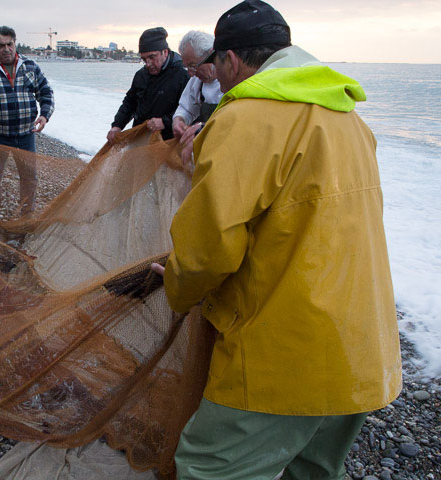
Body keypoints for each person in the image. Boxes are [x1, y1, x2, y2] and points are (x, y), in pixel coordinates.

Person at [150, 1, 402, 478]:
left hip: (287, 355)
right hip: (365, 347)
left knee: (206, 467)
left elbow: (209, 246)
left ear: (231, 61)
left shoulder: (245, 118)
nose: (217, 82)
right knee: (310, 470)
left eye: (217, 68)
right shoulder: (348, 116)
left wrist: (177, 288)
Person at [0, 26, 54, 214]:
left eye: (10, 44)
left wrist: (45, 115)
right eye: (1, 45)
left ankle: (26, 219)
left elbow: (46, 92)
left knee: (29, 179)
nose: (6, 49)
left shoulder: (30, 66)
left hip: (26, 135)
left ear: (15, 43)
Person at [107, 27, 188, 143]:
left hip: (168, 142)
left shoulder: (183, 75)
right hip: (140, 139)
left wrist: (165, 122)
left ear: (165, 52)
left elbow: (190, 110)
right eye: (144, 59)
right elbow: (130, 102)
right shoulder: (141, 75)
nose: (148, 64)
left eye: (152, 57)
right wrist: (117, 125)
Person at [172, 31, 222, 148]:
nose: (191, 74)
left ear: (211, 54)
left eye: (193, 66)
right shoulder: (197, 82)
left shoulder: (232, 79)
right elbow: (185, 109)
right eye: (187, 67)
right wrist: (178, 121)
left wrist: (201, 129)